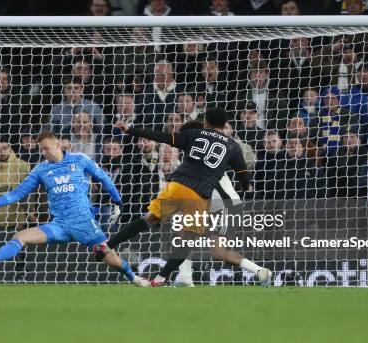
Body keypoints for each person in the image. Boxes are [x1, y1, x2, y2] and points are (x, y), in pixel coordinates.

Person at [105, 108, 272, 287]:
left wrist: (131, 129)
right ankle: (184, 278)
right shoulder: (213, 154)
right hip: (207, 202)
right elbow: (244, 180)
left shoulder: (201, 162)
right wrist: (247, 186)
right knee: (182, 233)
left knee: (218, 252)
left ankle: (261, 271)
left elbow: (164, 137)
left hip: (226, 206)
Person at [0, 131, 150, 287]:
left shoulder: (80, 160)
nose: (43, 152)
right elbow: (17, 193)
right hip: (59, 225)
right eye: (40, 149)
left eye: (46, 148)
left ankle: (135, 278)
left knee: (111, 259)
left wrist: (118, 202)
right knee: (20, 237)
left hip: (84, 224)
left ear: (58, 145)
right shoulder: (40, 170)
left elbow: (104, 178)